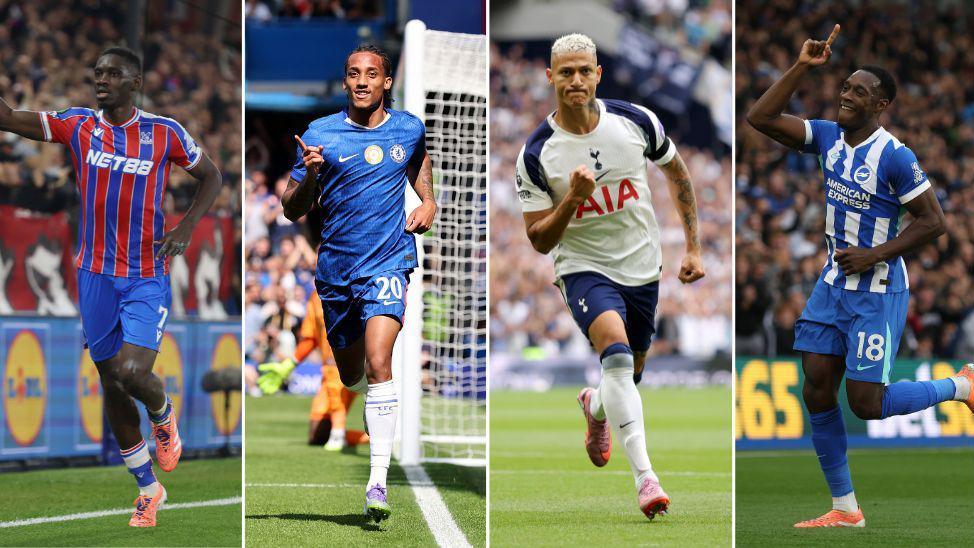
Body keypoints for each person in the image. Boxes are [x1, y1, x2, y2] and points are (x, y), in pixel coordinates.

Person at [746, 24, 974, 528]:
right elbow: (759, 117)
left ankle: (959, 387)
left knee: (867, 404)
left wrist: (875, 254)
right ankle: (845, 508)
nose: (847, 96)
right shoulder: (828, 138)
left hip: (877, 291)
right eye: (846, 87)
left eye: (860, 92)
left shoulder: (895, 156)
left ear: (882, 104)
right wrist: (803, 66)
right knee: (816, 386)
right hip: (832, 286)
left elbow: (934, 222)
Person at [0, 46, 222, 527]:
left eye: (113, 73)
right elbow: (10, 118)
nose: (102, 79)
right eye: (97, 71)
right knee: (110, 382)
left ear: (135, 82)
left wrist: (185, 226)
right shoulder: (79, 124)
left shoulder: (163, 132)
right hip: (94, 274)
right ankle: (148, 490)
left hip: (145, 273)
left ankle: (162, 415)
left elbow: (212, 175)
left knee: (132, 372)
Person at [514, 33, 706, 520]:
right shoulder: (537, 153)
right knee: (618, 360)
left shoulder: (636, 121)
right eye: (565, 72)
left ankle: (596, 406)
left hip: (642, 266)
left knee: (629, 375)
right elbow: (538, 240)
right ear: (550, 78)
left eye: (584, 71)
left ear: (598, 74)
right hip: (582, 267)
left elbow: (678, 174)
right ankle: (646, 479)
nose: (575, 80)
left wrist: (693, 246)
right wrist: (572, 200)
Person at [281, 44, 436, 523]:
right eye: (354, 74)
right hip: (336, 272)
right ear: (345, 82)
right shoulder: (320, 134)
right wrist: (309, 174)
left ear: (386, 82)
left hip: (389, 262)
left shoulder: (408, 128)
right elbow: (292, 207)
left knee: (379, 361)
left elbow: (418, 162)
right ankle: (363, 407)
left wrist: (428, 202)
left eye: (372, 74)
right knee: (351, 374)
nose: (363, 81)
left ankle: (377, 482)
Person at [256, 293, 369, 450]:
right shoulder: (315, 297)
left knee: (337, 388)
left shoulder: (356, 285)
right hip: (331, 367)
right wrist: (290, 363)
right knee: (317, 434)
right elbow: (311, 337)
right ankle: (370, 436)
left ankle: (338, 433)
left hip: (358, 361)